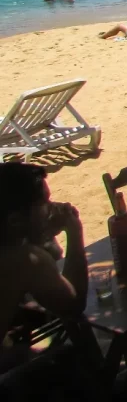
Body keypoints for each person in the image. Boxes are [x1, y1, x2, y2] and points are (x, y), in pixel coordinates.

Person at [0, 164, 87, 385]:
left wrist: (38, 234)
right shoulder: (24, 259)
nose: (51, 208)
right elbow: (73, 305)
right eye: (44, 203)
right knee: (71, 359)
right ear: (15, 220)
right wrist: (75, 232)